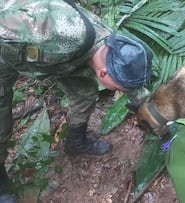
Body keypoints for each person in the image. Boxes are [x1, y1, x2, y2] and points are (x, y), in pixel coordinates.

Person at [0, 0, 152, 201]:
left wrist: (154, 111)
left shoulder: (111, 45)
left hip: (61, 61)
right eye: (119, 89)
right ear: (104, 73)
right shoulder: (56, 33)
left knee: (85, 93)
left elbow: (130, 84)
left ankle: (76, 142)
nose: (122, 92)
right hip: (5, 55)